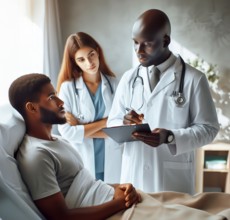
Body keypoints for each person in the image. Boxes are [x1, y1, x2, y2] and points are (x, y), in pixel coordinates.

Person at [107, 9, 220, 194]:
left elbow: (209, 129)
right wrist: (124, 123)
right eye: (135, 43)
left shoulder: (194, 79)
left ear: (165, 41)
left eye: (147, 44)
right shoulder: (129, 78)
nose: (139, 51)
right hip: (133, 179)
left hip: (171, 183)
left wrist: (170, 137)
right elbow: (112, 124)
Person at [8, 73, 141, 220]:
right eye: (52, 97)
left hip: (112, 202)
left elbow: (87, 185)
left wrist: (119, 187)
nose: (61, 102)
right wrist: (119, 203)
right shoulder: (36, 155)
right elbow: (61, 217)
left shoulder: (58, 141)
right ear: (32, 108)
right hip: (114, 212)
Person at [56, 32, 122, 182]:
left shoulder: (115, 84)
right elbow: (66, 133)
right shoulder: (68, 88)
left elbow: (122, 129)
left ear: (98, 52)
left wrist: (80, 128)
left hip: (113, 159)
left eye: (91, 55)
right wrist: (107, 122)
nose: (89, 63)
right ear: (75, 62)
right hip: (83, 160)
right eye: (81, 59)